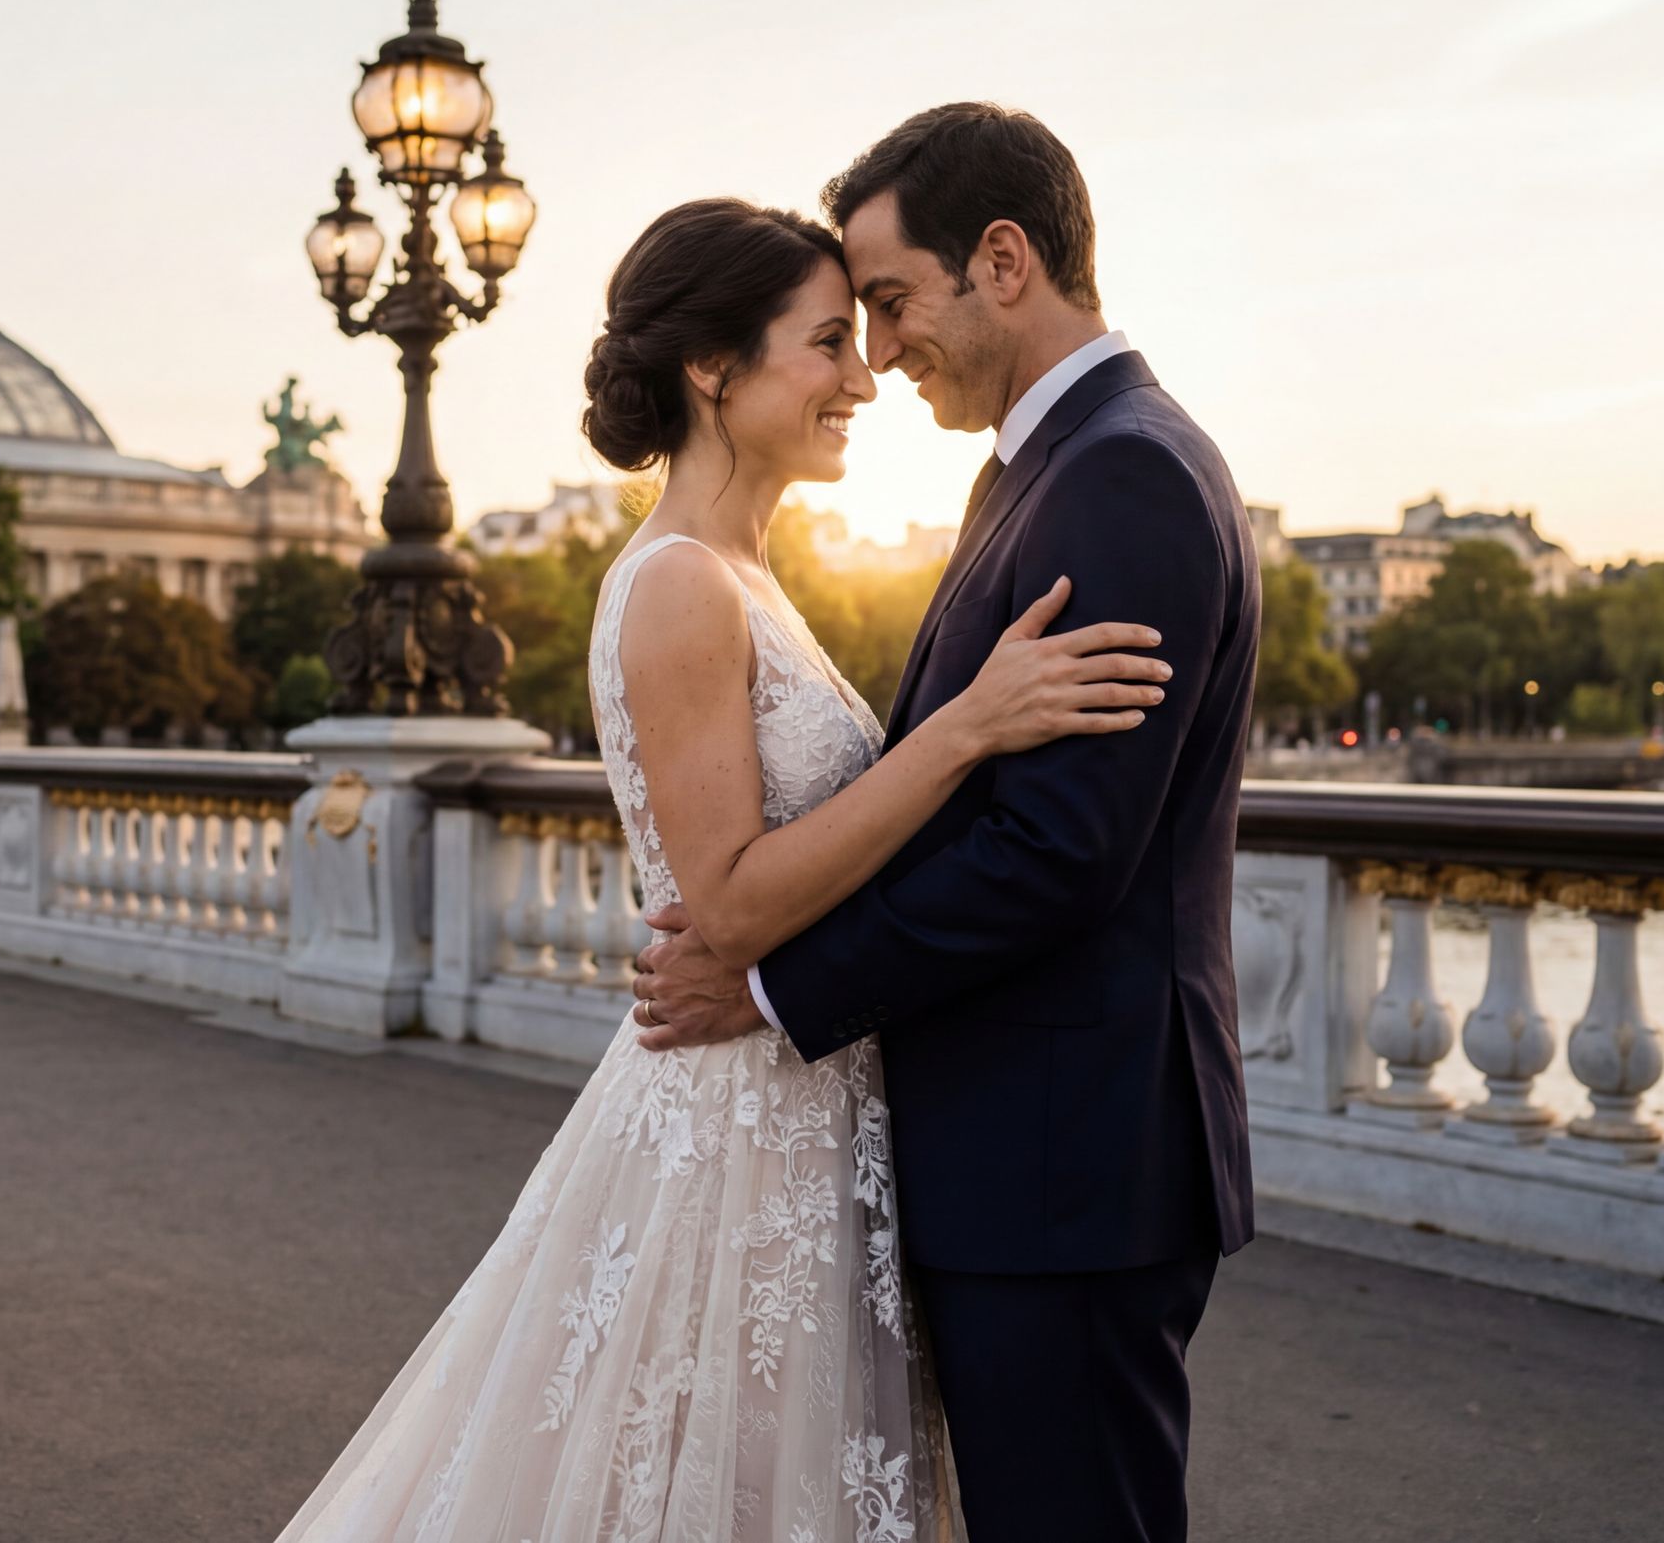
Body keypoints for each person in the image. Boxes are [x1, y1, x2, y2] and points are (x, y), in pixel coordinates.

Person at [276, 192, 1172, 1541]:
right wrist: (970, 727)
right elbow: (737, 901)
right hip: (741, 1128)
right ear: (715, 370)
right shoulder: (683, 581)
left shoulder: (745, 570)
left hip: (803, 1108)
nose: (861, 377)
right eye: (825, 343)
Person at [632, 105, 1261, 1542]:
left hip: (1067, 1167)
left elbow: (1059, 849)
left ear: (1002, 260)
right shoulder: (1054, 469)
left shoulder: (1121, 473)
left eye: (895, 304)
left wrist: (778, 983)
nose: (885, 349)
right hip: (1034, 1157)